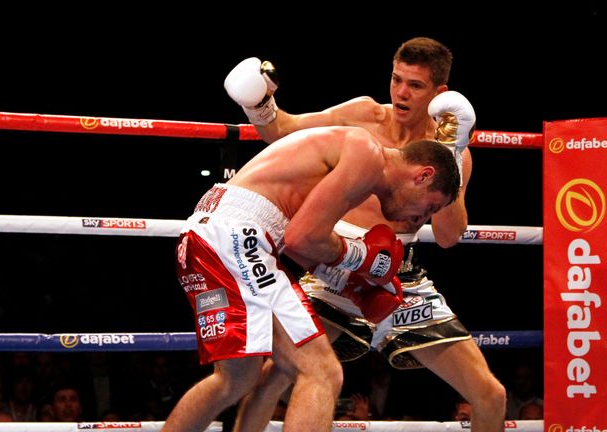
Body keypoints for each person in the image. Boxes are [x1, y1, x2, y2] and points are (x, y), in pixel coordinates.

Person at [225, 36, 507, 432]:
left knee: (491, 396)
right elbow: (285, 129)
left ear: (441, 93)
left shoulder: (454, 151)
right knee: (274, 377)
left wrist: (453, 153)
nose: (401, 93)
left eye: (415, 85)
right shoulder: (364, 116)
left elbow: (448, 235)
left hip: (401, 279)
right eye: (396, 80)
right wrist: (258, 102)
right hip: (335, 270)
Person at [163, 125, 460, 432]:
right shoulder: (367, 154)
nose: (420, 220)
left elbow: (303, 242)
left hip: (209, 236)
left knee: (236, 379)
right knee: (321, 372)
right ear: (423, 175)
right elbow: (301, 237)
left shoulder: (350, 165)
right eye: (431, 208)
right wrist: (362, 256)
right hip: (240, 239)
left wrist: (349, 283)